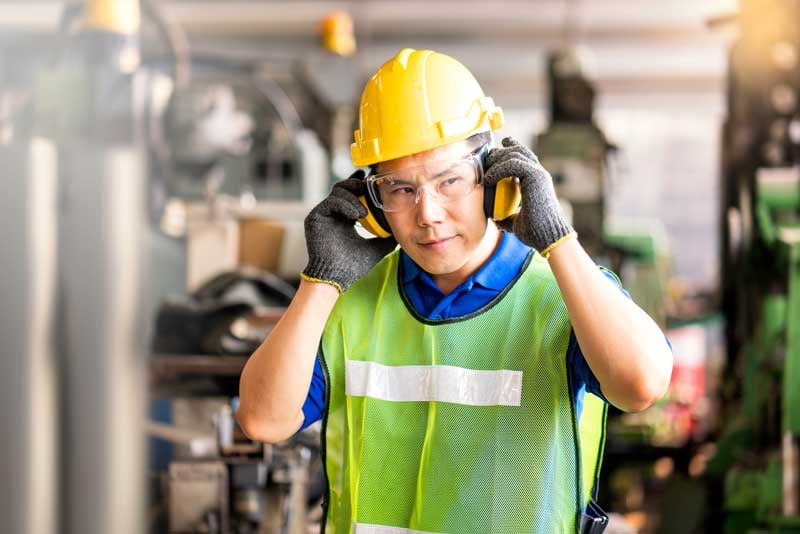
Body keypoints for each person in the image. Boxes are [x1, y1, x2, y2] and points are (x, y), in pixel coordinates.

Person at [237, 48, 673, 534]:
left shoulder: (563, 296)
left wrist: (558, 240)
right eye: (400, 189)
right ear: (373, 203)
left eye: (450, 181)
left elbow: (641, 386)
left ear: (493, 179)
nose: (428, 213)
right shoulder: (347, 305)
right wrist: (320, 281)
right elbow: (263, 421)